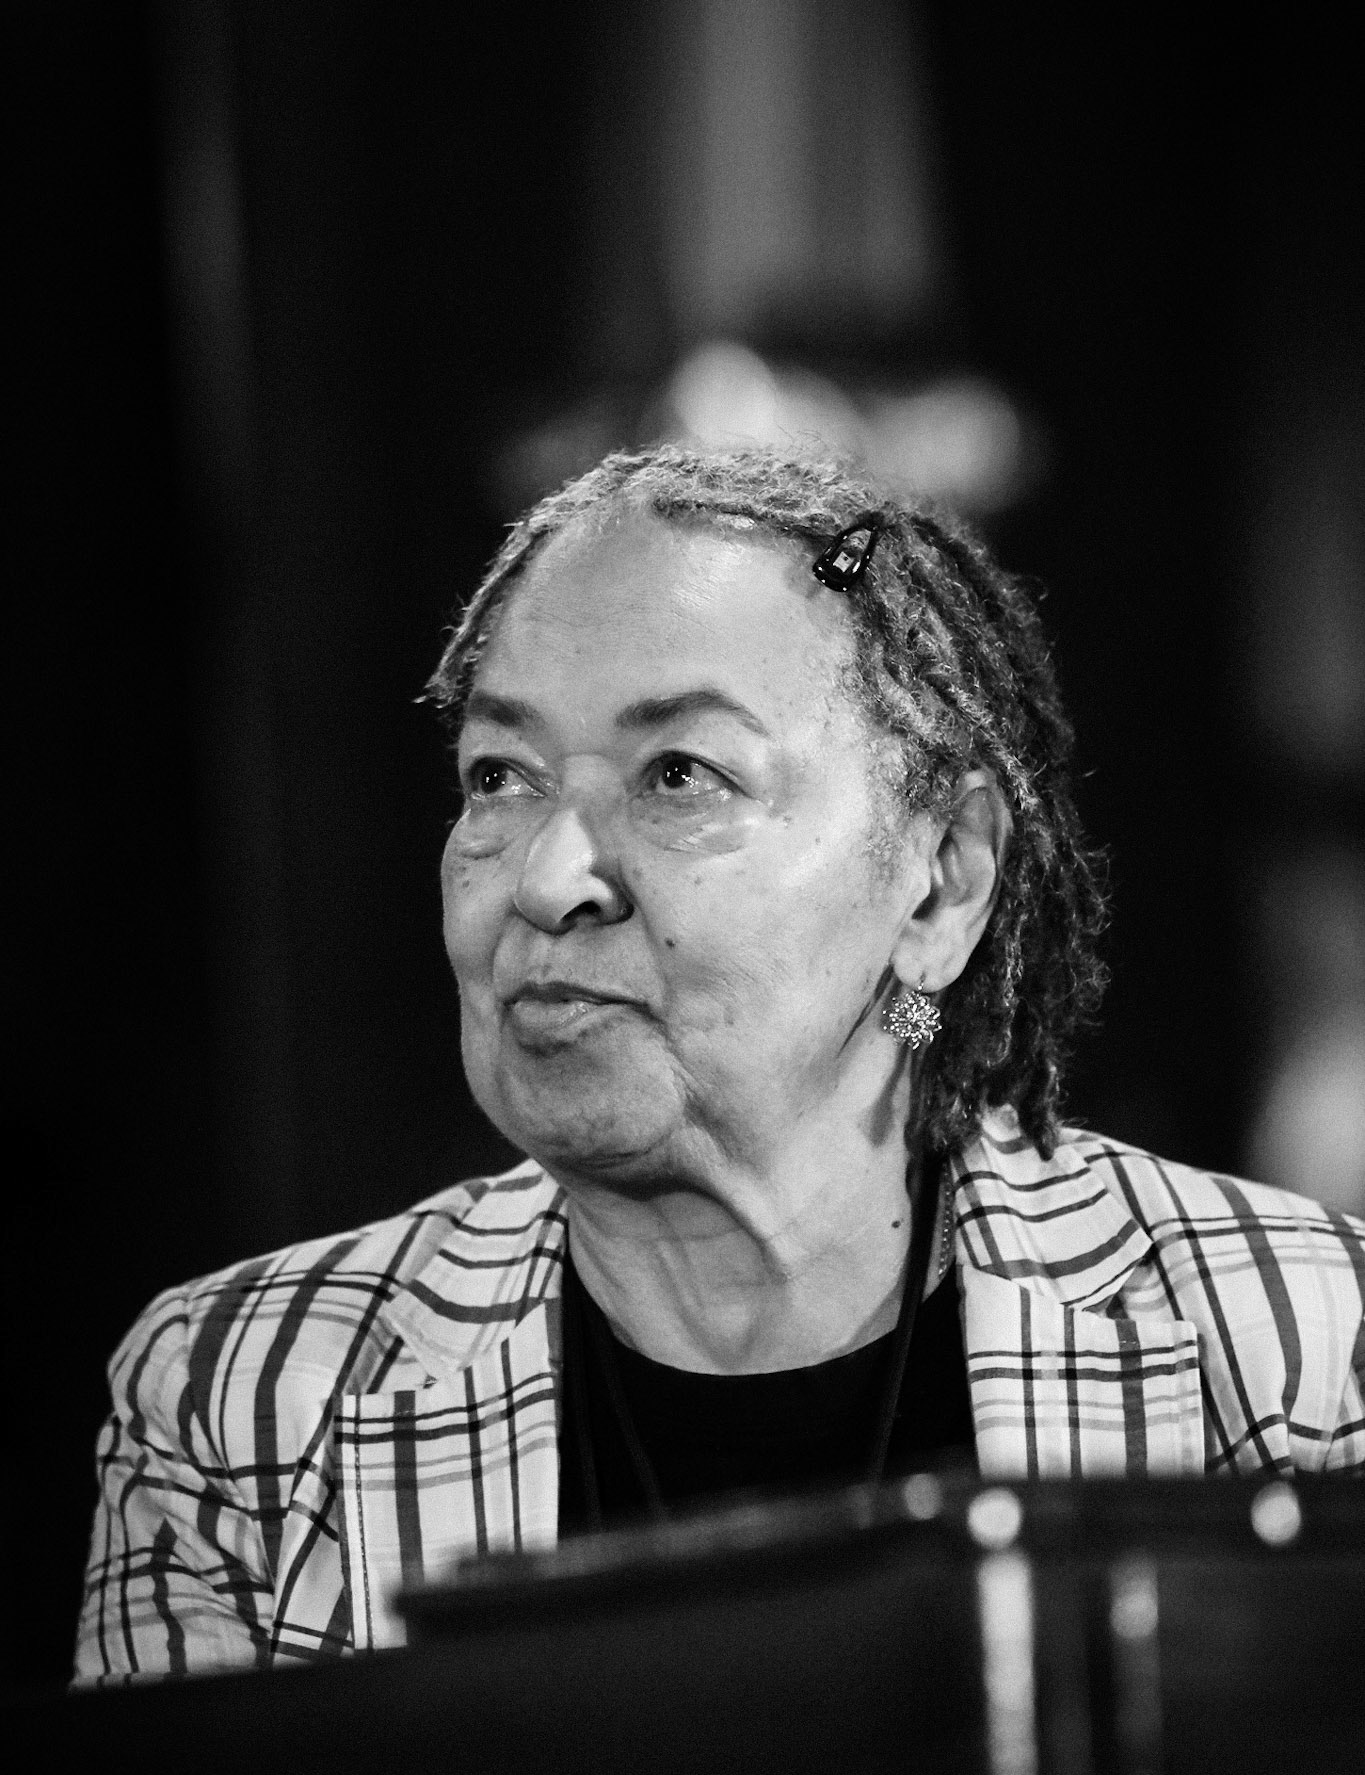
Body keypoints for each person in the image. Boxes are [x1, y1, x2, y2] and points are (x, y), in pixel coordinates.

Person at [75, 446, 1365, 1682]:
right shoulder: (241, 1402)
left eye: (681, 773)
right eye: (500, 776)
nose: (546, 877)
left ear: (941, 882)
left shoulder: (1300, 1348)